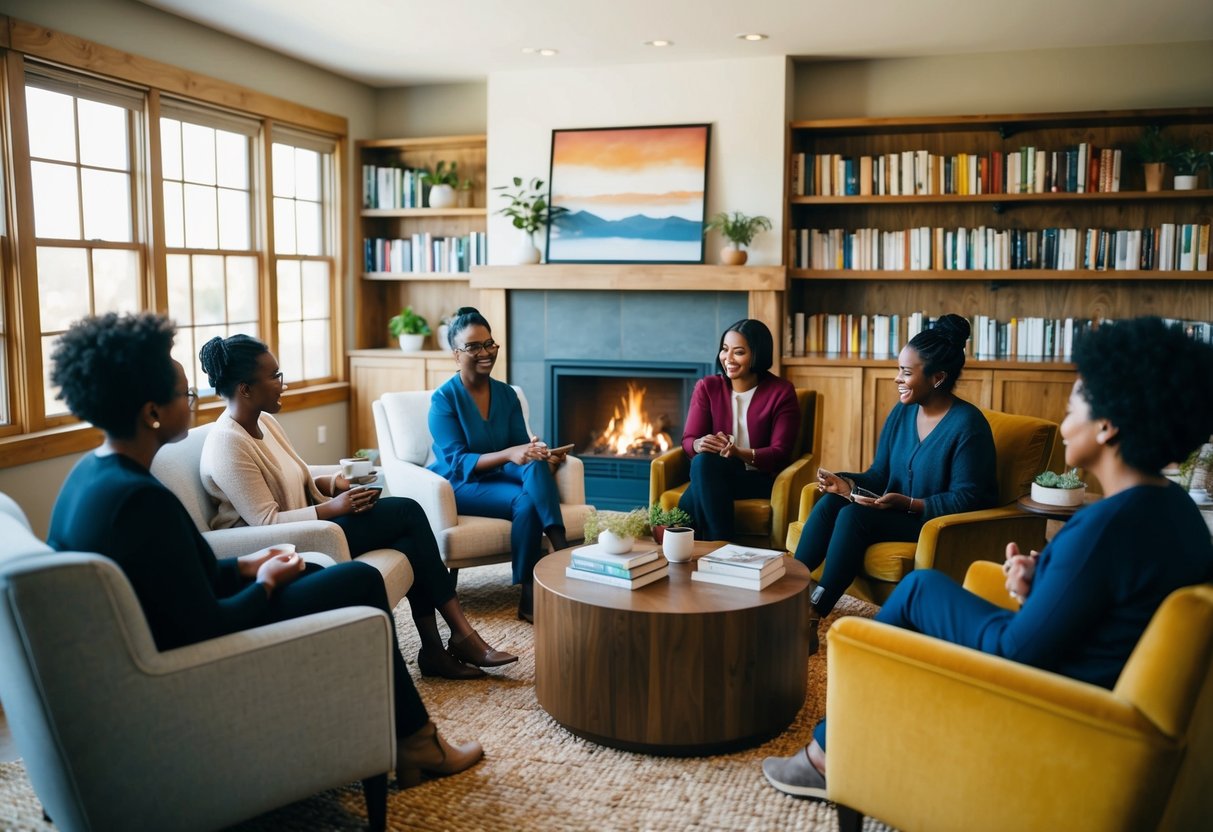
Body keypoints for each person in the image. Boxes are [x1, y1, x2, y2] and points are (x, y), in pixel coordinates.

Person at [763, 316, 1213, 799]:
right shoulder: (1174, 510)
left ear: (1108, 425)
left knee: (919, 590)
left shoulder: (1106, 527)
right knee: (918, 584)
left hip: (1058, 708)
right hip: (1088, 679)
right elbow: (1109, 604)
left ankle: (828, 757)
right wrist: (1041, 585)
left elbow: (1016, 651)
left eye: (1075, 403)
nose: (1063, 423)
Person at [46, 312, 482, 786]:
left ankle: (408, 727)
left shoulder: (92, 477)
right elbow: (206, 622)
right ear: (151, 411)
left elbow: (180, 578)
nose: (194, 404)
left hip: (173, 632)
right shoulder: (140, 501)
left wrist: (247, 565)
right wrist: (266, 583)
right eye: (185, 394)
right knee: (357, 580)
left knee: (337, 573)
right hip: (188, 659)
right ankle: (417, 740)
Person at [198, 334, 517, 680]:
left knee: (409, 541)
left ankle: (435, 651)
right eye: (274, 376)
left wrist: (335, 483)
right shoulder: (228, 444)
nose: (282, 384)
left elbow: (300, 478)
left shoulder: (264, 422)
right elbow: (266, 521)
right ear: (245, 389)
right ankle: (461, 635)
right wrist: (336, 508)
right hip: (277, 546)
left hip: (311, 526)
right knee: (407, 512)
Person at [793, 314, 998, 616]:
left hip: (933, 525)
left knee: (853, 518)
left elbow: (969, 498)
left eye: (905, 372)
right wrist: (846, 484)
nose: (896, 379)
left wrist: (910, 503)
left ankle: (814, 609)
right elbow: (880, 475)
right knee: (830, 503)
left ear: (937, 378)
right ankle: (787, 587)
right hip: (898, 512)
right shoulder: (902, 413)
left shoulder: (968, 425)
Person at [427, 307, 568, 623]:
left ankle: (554, 555)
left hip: (500, 476)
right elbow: (458, 461)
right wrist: (509, 454)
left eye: (489, 343)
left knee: (534, 464)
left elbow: (522, 447)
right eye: (473, 347)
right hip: (460, 482)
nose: (485, 352)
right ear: (455, 355)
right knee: (525, 501)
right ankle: (538, 581)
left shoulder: (507, 394)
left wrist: (541, 455)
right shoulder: (443, 401)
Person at [677, 318, 801, 542]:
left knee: (695, 487)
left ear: (757, 354)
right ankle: (722, 546)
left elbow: (780, 453)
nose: (728, 359)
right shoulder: (708, 387)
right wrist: (699, 443)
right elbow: (688, 440)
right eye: (725, 350)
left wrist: (738, 452)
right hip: (716, 472)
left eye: (739, 352)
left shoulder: (781, 392)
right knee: (703, 462)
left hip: (758, 479)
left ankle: (708, 543)